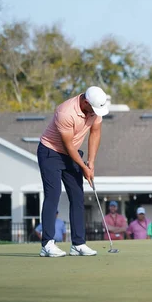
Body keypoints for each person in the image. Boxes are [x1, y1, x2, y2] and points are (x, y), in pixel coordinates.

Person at [37, 86, 109, 257]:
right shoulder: (66, 112)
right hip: (50, 153)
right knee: (53, 195)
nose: (96, 113)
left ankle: (78, 244)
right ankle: (47, 244)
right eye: (93, 109)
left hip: (72, 153)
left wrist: (90, 162)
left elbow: (95, 133)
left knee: (77, 197)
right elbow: (67, 145)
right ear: (85, 102)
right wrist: (83, 167)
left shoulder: (94, 111)